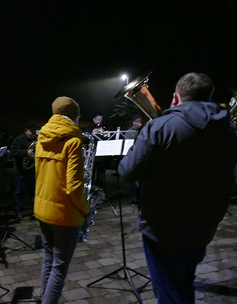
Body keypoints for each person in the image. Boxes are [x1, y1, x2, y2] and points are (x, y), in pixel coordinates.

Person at [118, 73, 237, 303]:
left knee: (170, 292)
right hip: (205, 223)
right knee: (183, 282)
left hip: (162, 227)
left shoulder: (158, 128)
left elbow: (126, 172)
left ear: (175, 98)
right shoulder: (228, 131)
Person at [35, 96, 90, 304]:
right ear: (74, 115)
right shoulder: (73, 142)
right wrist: (85, 209)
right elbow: (74, 187)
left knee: (48, 261)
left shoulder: (42, 138)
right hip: (64, 214)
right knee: (59, 268)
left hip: (42, 209)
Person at [10, 122, 38, 220]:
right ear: (27, 130)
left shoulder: (36, 140)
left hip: (31, 170)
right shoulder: (19, 139)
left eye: (35, 132)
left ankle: (35, 211)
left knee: (34, 192)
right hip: (20, 171)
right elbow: (13, 151)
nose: (34, 134)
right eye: (32, 132)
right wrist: (26, 152)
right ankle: (18, 211)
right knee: (19, 192)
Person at [84, 112, 108, 188]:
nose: (99, 121)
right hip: (92, 155)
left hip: (102, 155)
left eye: (101, 119)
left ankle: (99, 189)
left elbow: (108, 139)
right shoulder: (89, 128)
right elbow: (84, 140)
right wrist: (92, 134)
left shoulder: (104, 128)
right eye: (98, 119)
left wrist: (104, 133)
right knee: (90, 174)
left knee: (101, 175)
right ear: (94, 120)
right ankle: (89, 189)